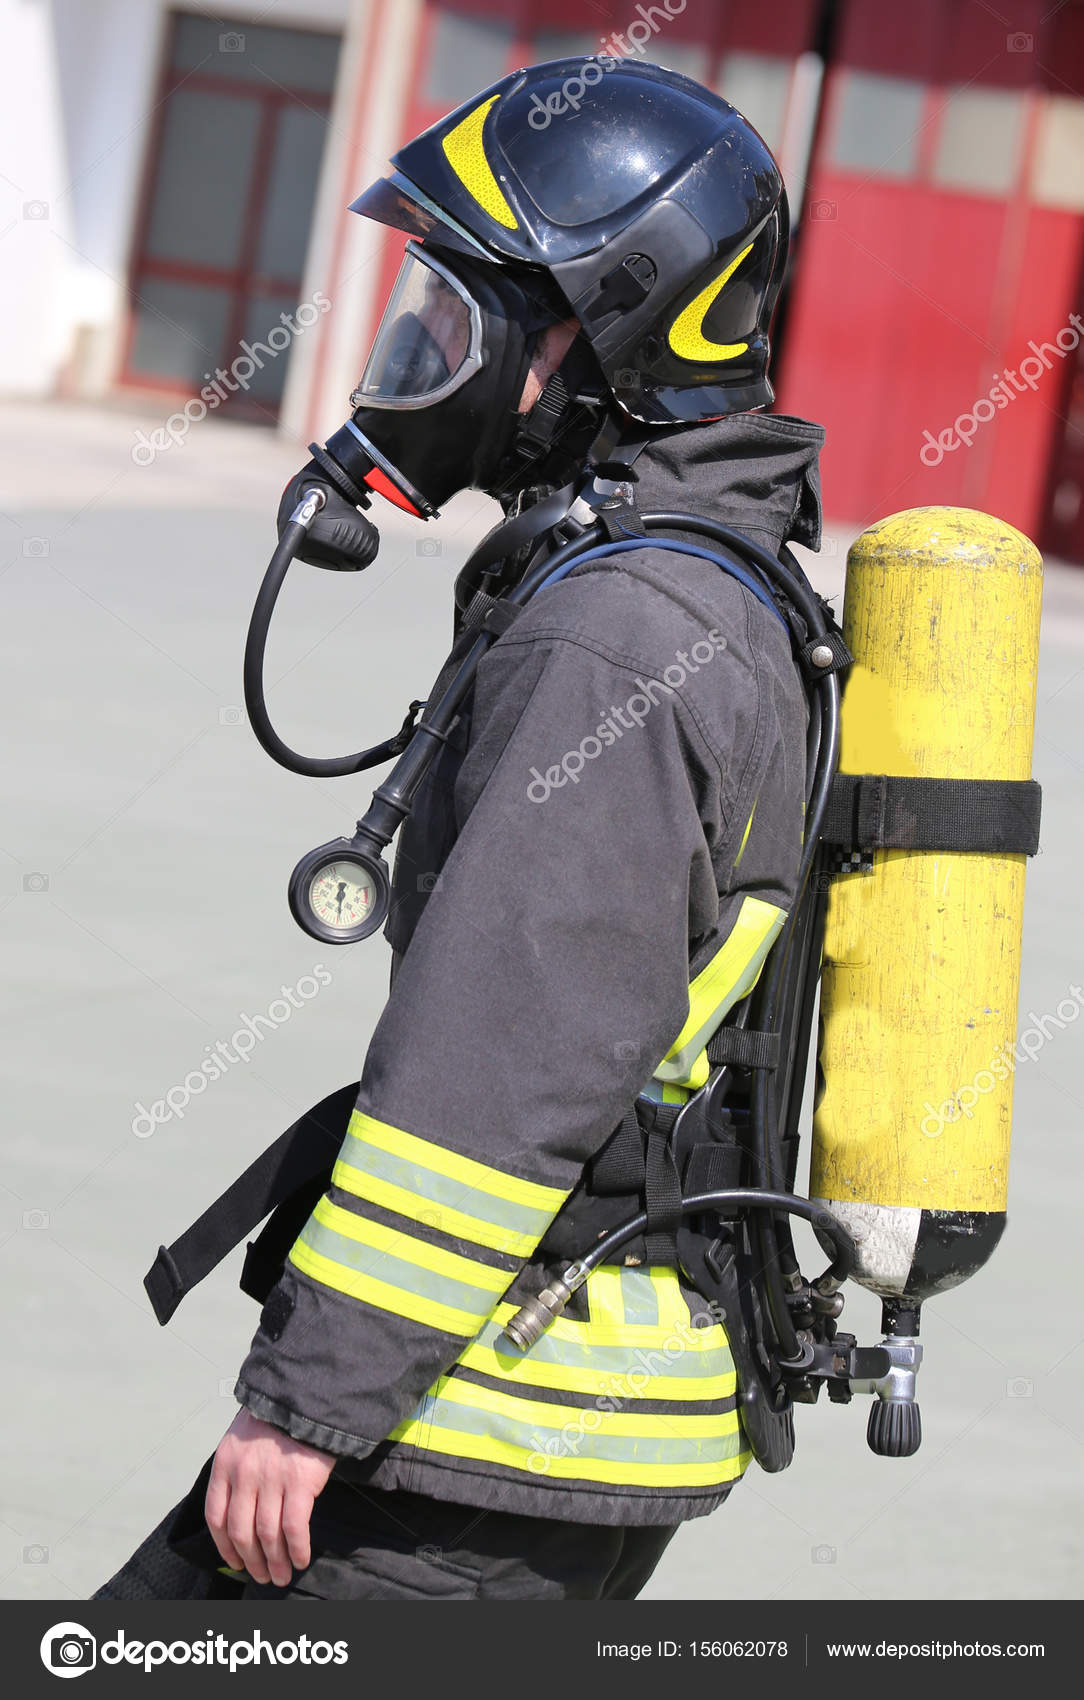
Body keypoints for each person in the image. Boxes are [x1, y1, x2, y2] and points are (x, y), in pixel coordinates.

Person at [121, 56, 828, 1603]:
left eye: (462, 316)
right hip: (519, 1433)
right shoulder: (686, 585)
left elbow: (505, 1059)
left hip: (470, 1450)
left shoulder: (622, 638)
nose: (420, 357)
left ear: (597, 334)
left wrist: (307, 1403)